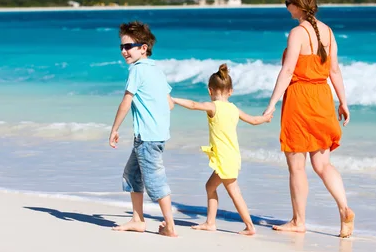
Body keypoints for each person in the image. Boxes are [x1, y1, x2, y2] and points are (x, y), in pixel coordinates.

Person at [263, 0, 355, 238]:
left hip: (300, 101)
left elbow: (288, 71)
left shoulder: (297, 33)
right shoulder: (328, 32)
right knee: (323, 163)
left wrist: (271, 104)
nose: (286, 8)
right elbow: (334, 70)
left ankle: (298, 220)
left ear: (296, 4)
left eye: (287, 3)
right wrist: (343, 102)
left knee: (297, 166)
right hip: (323, 98)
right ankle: (344, 208)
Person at [172, 64, 272, 235]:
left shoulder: (214, 106)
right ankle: (210, 222)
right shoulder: (234, 109)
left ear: (210, 91)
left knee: (234, 192)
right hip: (230, 155)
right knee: (210, 187)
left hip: (224, 158)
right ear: (230, 91)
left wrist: (173, 99)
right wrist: (265, 118)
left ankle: (249, 226)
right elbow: (254, 120)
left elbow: (194, 104)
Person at [108, 20, 177, 237]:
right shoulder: (156, 69)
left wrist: (114, 129)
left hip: (147, 137)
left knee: (155, 180)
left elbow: (126, 101)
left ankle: (170, 225)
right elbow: (170, 103)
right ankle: (138, 219)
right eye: (121, 47)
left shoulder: (137, 70)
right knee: (131, 176)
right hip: (154, 135)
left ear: (143, 48)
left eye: (128, 46)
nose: (124, 51)